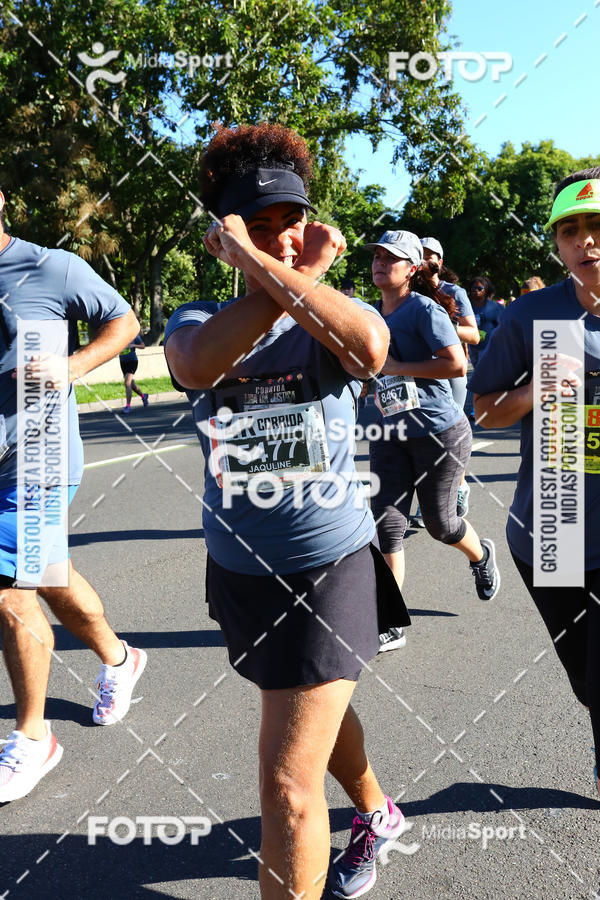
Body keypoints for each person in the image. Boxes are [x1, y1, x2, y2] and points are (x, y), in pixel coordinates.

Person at [164, 124, 411, 900]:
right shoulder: (196, 319)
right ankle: (377, 810)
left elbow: (370, 349)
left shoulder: (325, 321)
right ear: (220, 233)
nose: (279, 236)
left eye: (290, 221)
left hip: (328, 567)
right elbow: (196, 366)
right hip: (240, 570)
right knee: (306, 710)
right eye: (257, 224)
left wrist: (277, 267)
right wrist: (278, 271)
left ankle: (355, 821)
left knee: (286, 791)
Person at [0, 190, 147, 803]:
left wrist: (72, 366)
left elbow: (124, 319)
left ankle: (34, 737)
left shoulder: (49, 266)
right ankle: (120, 659)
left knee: (10, 591)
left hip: (36, 458)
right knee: (48, 573)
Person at [470, 167, 600, 798]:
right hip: (554, 522)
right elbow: (484, 410)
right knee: (587, 679)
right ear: (556, 245)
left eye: (597, 226)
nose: (586, 241)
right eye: (571, 230)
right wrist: (540, 386)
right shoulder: (529, 316)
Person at [364, 230, 500, 654]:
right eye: (377, 257)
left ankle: (481, 557)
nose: (380, 263)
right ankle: (391, 620)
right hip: (389, 432)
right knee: (387, 523)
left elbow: (457, 364)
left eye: (392, 258)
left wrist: (400, 366)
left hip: (439, 431)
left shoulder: (424, 310)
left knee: (441, 524)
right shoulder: (370, 314)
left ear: (412, 269)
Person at [420, 237, 479, 518]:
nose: (423, 261)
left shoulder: (454, 292)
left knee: (447, 432)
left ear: (440, 263)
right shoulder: (405, 291)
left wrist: (443, 325)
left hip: (451, 371)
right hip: (418, 370)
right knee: (422, 436)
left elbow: (474, 335)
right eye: (418, 255)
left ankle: (458, 485)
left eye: (430, 257)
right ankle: (433, 494)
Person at [464, 275, 503, 422]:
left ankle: (477, 409)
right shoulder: (467, 307)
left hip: (489, 347)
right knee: (481, 376)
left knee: (480, 376)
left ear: (487, 290)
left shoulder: (495, 308)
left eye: (480, 288)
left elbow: (504, 325)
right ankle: (492, 405)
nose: (476, 291)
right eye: (473, 288)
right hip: (473, 347)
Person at [119, 331, 149, 412]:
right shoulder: (118, 335)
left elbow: (143, 346)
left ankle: (128, 406)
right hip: (123, 362)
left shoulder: (133, 335)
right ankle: (143, 396)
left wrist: (132, 345)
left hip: (132, 361)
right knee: (132, 385)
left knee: (127, 383)